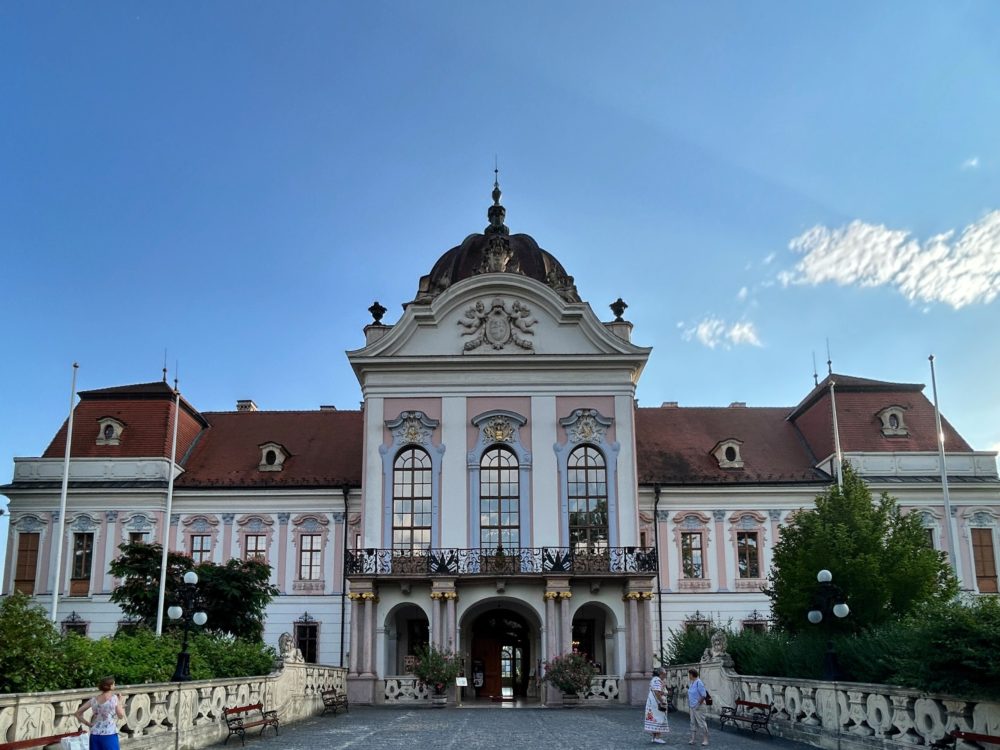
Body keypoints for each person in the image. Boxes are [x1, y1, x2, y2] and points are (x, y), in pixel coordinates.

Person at [74, 676, 125, 750]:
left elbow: (77, 713)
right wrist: (120, 702)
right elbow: (121, 715)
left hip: (94, 734)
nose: (115, 686)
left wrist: (88, 724)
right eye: (113, 684)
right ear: (109, 686)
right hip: (109, 734)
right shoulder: (114, 698)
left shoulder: (94, 700)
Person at [644, 666, 670, 744]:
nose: (665, 675)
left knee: (654, 719)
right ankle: (657, 737)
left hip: (652, 703)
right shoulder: (657, 680)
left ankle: (654, 737)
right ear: (661, 673)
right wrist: (662, 701)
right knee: (659, 719)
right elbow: (657, 692)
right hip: (657, 704)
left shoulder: (654, 680)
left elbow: (657, 691)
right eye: (665, 674)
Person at [687, 668, 710, 746]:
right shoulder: (692, 682)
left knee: (701, 723)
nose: (688, 676)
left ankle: (705, 740)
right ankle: (693, 739)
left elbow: (704, 695)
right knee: (692, 723)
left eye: (689, 674)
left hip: (699, 706)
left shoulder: (699, 683)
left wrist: (697, 704)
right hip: (692, 707)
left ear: (692, 674)